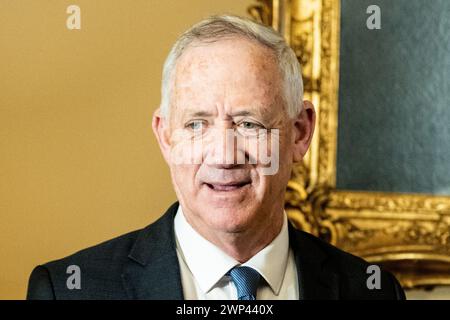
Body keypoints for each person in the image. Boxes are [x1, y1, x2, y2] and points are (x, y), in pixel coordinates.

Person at [27, 15, 405, 300]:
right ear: (165, 135)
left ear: (300, 133)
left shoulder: (373, 292)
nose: (224, 157)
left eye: (249, 123)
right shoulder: (69, 290)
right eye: (196, 125)